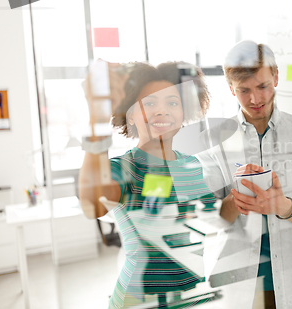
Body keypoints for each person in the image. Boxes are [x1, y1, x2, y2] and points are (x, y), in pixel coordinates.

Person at [197, 40, 292, 309]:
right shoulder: (213, 140)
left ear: (276, 77)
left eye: (262, 86)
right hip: (236, 277)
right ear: (230, 88)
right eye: (243, 90)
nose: (255, 99)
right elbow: (208, 218)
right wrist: (238, 198)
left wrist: (284, 206)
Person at [78, 61, 216, 308]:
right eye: (150, 103)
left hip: (192, 296)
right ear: (131, 113)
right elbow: (93, 207)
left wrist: (239, 201)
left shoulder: (192, 165)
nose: (161, 111)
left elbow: (205, 218)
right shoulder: (124, 168)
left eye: (172, 103)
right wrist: (97, 115)